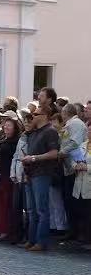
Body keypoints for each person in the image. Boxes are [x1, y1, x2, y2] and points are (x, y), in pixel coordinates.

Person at [21, 103, 61, 251]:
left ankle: (41, 241)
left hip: (42, 173)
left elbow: (54, 153)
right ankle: (31, 239)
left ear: (44, 116)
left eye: (36, 114)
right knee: (31, 210)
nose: (33, 116)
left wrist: (35, 158)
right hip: (31, 174)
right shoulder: (34, 132)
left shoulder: (50, 131)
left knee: (41, 209)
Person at [59, 103, 88, 242]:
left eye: (62, 112)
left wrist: (61, 152)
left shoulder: (75, 124)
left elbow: (74, 143)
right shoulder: (70, 124)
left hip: (74, 168)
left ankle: (76, 231)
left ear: (66, 112)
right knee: (69, 200)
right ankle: (73, 230)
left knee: (72, 201)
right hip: (69, 166)